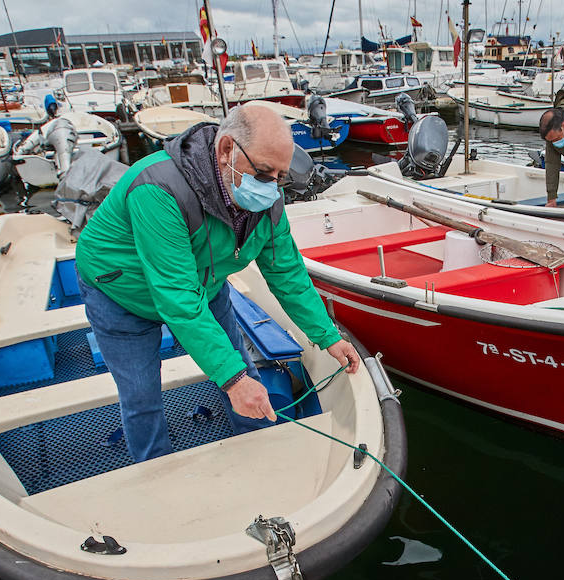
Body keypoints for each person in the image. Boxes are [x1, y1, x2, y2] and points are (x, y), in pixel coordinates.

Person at [74, 102, 360, 463]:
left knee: (241, 365)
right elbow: (177, 297)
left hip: (205, 283)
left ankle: (259, 449)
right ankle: (155, 473)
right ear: (226, 150)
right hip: (120, 291)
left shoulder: (267, 198)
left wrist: (328, 336)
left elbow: (287, 274)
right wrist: (232, 380)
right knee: (141, 396)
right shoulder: (158, 187)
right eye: (263, 172)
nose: (271, 187)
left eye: (280, 177)